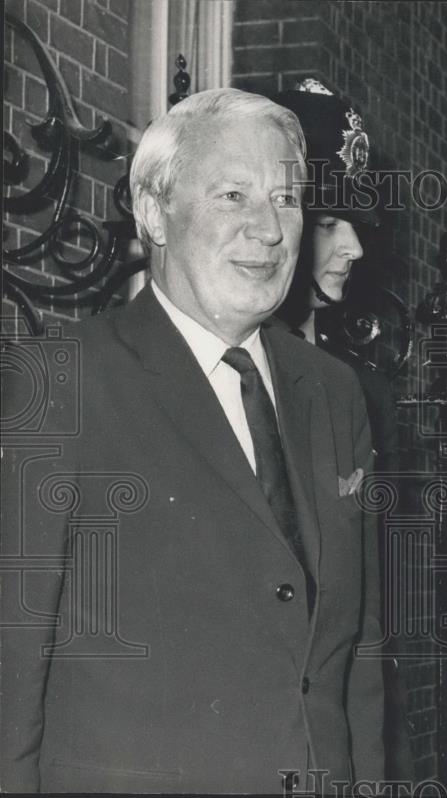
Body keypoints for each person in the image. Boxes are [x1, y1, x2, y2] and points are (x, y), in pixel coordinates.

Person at [0, 88, 384, 793]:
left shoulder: (333, 394)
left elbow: (354, 658)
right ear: (154, 213)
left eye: (287, 198)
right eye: (233, 195)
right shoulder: (61, 383)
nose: (269, 229)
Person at [271, 79, 413, 781]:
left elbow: (375, 629)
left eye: (357, 223)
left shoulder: (360, 392)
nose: (355, 246)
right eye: (331, 221)